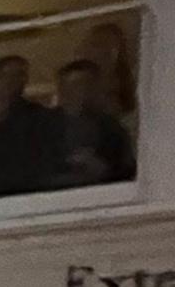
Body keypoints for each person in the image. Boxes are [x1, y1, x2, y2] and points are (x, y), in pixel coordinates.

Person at [0, 54, 58, 198]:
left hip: (20, 194)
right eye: (5, 75)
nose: (11, 82)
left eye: (19, 76)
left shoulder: (37, 116)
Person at [50, 58, 134, 189]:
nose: (78, 92)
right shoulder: (41, 125)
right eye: (71, 85)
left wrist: (104, 170)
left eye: (85, 84)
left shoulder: (112, 128)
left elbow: (128, 173)